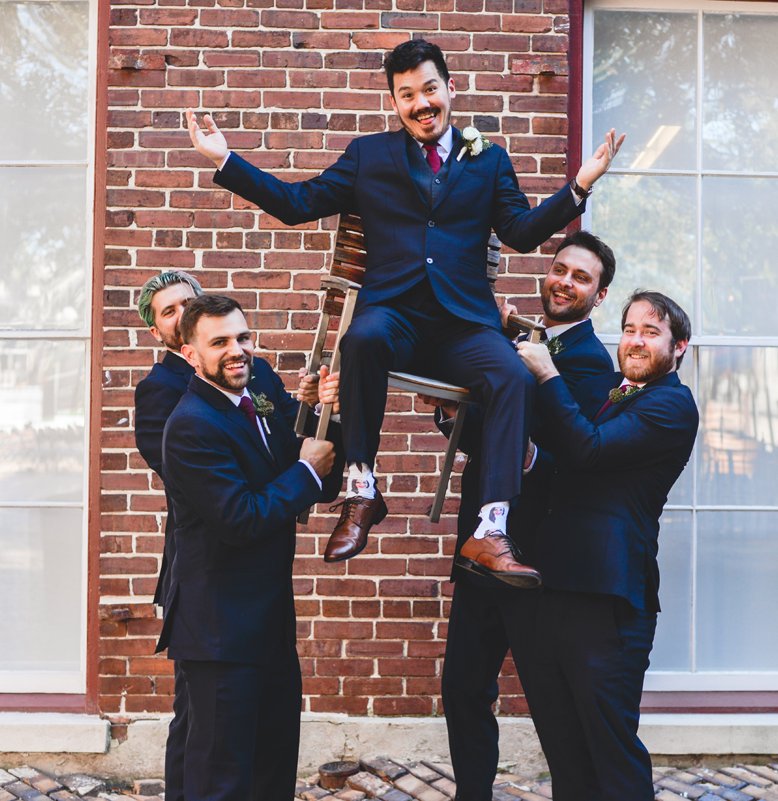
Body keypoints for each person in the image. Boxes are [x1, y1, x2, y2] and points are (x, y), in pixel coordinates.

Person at [186, 38, 624, 571]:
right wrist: (225, 160)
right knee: (362, 338)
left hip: (464, 328)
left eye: (430, 89)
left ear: (450, 89)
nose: (421, 103)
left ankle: (491, 529)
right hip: (393, 317)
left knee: (512, 374)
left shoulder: (487, 160)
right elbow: (299, 204)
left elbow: (522, 233)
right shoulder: (368, 156)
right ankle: (361, 489)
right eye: (407, 94)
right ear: (394, 103)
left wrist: (579, 185)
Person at [437, 231, 618, 800]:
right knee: (462, 687)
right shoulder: (515, 341)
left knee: (550, 696)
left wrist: (526, 448)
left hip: (535, 557)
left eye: (580, 277)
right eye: (560, 269)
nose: (564, 282)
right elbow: (489, 440)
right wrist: (450, 414)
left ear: (600, 295)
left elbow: (572, 452)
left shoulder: (589, 363)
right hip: (479, 550)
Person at [157, 294, 344, 801]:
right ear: (191, 355)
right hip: (219, 633)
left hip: (269, 625)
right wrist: (306, 470)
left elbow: (315, 474)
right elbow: (241, 518)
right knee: (220, 781)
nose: (237, 350)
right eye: (219, 343)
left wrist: (328, 417)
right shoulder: (192, 425)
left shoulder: (254, 393)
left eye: (242, 337)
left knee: (271, 773)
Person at [515, 290, 699, 801]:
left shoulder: (671, 405)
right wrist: (526, 453)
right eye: (631, 329)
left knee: (610, 752)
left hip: (608, 598)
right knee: (566, 752)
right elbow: (569, 467)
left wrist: (548, 375)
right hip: (555, 585)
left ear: (678, 346)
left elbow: (588, 450)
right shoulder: (613, 397)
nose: (635, 340)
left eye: (651, 331)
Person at [132, 269, 202, 801]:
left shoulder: (245, 371)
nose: (181, 314)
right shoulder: (158, 390)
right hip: (195, 565)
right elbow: (181, 473)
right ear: (157, 333)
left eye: (187, 303)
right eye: (168, 311)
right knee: (196, 710)